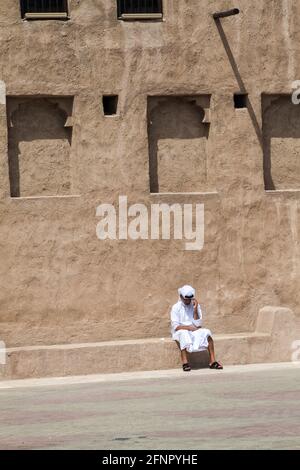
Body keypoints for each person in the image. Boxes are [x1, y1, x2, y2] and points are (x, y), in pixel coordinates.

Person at [171, 285, 223, 372]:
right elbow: (176, 327)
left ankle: (212, 361)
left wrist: (195, 310)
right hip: (180, 331)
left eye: (189, 299)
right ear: (181, 297)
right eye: (186, 299)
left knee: (207, 332)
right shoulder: (176, 307)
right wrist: (188, 328)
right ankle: (185, 363)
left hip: (193, 330)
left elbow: (198, 324)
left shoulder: (195, 305)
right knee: (183, 334)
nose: (188, 301)